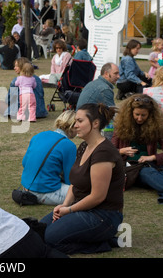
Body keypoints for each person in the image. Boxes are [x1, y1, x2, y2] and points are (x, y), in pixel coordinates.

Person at [40, 103, 124, 255]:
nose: (75, 125)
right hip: (82, 208)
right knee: (39, 231)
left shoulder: (103, 152)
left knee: (51, 239)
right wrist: (64, 205)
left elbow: (98, 197)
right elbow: (75, 183)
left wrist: (70, 209)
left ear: (95, 124)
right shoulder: (84, 146)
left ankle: (101, 243)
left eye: (79, 121)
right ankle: (89, 237)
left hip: (103, 215)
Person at [21, 110, 77, 205]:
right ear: (72, 127)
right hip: (45, 191)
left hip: (26, 187)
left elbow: (24, 162)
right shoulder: (69, 145)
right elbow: (69, 179)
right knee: (83, 193)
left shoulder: (39, 135)